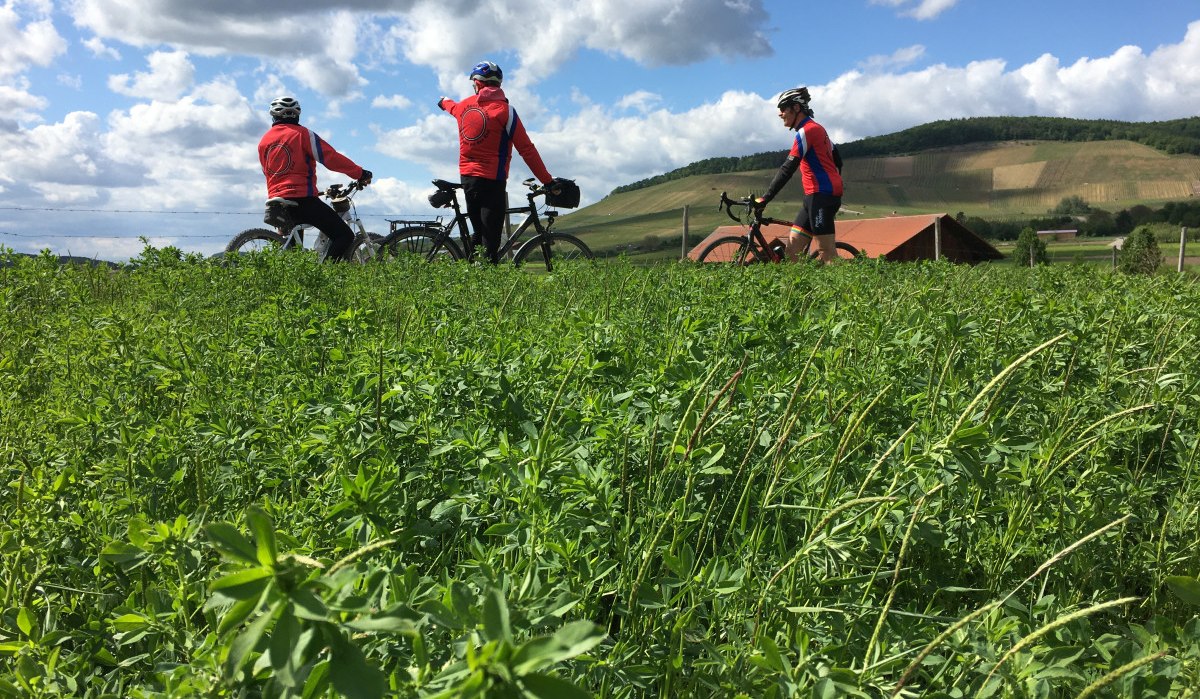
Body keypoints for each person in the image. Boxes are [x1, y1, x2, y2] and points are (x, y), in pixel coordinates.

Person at [438, 61, 556, 263]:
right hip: (492, 181)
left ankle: (470, 280)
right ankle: (484, 286)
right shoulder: (505, 111)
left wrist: (442, 101)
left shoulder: (464, 106)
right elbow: (526, 149)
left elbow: (451, 106)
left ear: (477, 83)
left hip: (468, 178)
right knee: (490, 242)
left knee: (479, 235)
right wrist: (547, 181)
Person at [258, 96, 372, 261]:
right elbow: (331, 158)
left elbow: (267, 171)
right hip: (303, 200)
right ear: (297, 115)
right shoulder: (303, 135)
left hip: (277, 201)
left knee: (294, 251)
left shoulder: (264, 141)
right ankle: (324, 276)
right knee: (344, 236)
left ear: (274, 116)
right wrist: (360, 173)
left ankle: (298, 282)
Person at [756, 87, 843, 263]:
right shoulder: (818, 129)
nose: (780, 114)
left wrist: (765, 198)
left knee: (826, 252)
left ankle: (850, 289)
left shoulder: (807, 131)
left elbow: (788, 168)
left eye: (783, 109)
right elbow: (838, 160)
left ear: (796, 108)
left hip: (821, 196)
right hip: (815, 197)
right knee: (792, 251)